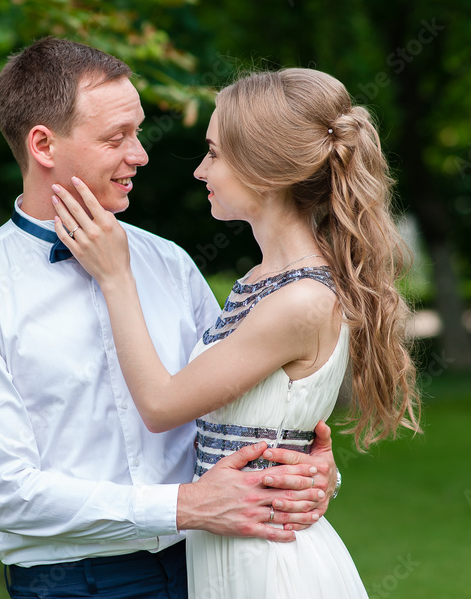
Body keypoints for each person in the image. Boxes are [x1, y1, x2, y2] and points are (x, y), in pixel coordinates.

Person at [0, 39, 340, 599]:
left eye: (137, 132)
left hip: (214, 565)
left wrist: (307, 472)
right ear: (44, 145)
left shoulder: (168, 262)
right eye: (116, 137)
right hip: (79, 583)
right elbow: (9, 494)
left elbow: (232, 404)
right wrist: (185, 506)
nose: (140, 154)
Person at [50, 68, 422, 598]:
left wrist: (115, 276)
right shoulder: (261, 280)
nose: (200, 170)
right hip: (233, 547)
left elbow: (160, 405)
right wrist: (314, 469)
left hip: (269, 566)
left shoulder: (300, 300)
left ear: (265, 171)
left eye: (215, 154)